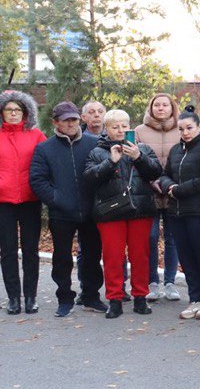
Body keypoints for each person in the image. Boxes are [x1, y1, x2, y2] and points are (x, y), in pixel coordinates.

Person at [85, 109, 165, 318]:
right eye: (115, 126)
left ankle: (140, 297)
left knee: (140, 256)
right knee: (113, 257)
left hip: (140, 209)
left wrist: (138, 157)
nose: (120, 130)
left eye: (124, 126)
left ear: (130, 127)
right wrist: (110, 161)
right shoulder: (97, 152)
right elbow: (90, 178)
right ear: (106, 129)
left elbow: (156, 172)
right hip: (111, 212)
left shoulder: (142, 148)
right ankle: (115, 299)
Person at [30, 102, 105, 316]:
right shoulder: (45, 148)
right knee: (62, 258)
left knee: (92, 256)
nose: (71, 124)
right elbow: (38, 180)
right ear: (56, 122)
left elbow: (104, 172)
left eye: (74, 119)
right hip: (61, 213)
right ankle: (64, 298)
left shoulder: (94, 143)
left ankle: (91, 296)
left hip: (91, 212)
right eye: (66, 120)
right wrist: (57, 200)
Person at [157, 112, 200, 320]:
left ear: (198, 127)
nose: (185, 132)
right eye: (181, 129)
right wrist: (169, 186)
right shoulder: (176, 150)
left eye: (189, 128)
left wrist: (179, 190)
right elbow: (164, 175)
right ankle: (195, 299)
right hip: (177, 213)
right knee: (187, 258)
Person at [0, 90, 44, 315]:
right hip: (3, 201)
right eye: (8, 109)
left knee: (30, 250)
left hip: (30, 199)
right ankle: (13, 298)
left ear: (26, 112)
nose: (13, 113)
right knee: (7, 251)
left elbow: (45, 164)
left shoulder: (36, 135)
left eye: (17, 109)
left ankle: (31, 297)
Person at [134, 93, 182, 301]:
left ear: (172, 108)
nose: (161, 108)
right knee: (150, 238)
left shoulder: (181, 129)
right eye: (157, 105)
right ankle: (152, 281)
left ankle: (170, 282)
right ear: (151, 108)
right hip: (148, 193)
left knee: (172, 238)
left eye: (165, 105)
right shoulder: (139, 131)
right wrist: (151, 181)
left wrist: (170, 184)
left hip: (173, 193)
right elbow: (134, 161)